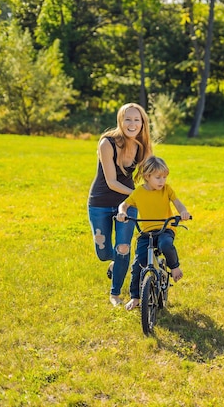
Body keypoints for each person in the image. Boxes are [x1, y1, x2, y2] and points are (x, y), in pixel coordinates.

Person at [87, 103, 153, 307]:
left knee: (123, 248)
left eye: (137, 120)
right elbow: (111, 182)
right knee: (104, 252)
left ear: (142, 123)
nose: (132, 124)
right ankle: (115, 263)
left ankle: (114, 294)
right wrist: (139, 194)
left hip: (126, 204)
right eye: (128, 119)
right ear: (120, 121)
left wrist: (159, 189)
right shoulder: (107, 143)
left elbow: (151, 174)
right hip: (100, 202)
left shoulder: (142, 147)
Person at [117, 156, 191, 311]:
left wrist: (183, 211)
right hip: (146, 232)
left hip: (165, 229)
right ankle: (136, 297)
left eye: (164, 177)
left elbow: (177, 203)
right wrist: (122, 212)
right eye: (158, 177)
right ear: (147, 176)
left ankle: (175, 267)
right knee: (138, 264)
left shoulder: (167, 190)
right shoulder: (139, 193)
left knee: (165, 244)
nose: (162, 181)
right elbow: (124, 205)